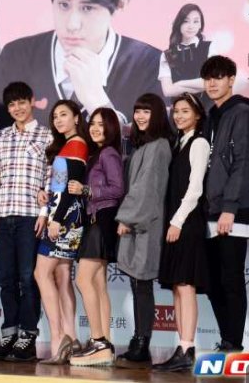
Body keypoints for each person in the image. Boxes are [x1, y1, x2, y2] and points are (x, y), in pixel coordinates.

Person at [0, 0, 162, 128]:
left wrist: (96, 99)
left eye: (87, 8)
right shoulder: (16, 56)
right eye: (64, 5)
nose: (72, 24)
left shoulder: (151, 65)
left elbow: (156, 142)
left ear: (121, 4)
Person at [0, 82, 51, 362]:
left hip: (30, 218)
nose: (17, 108)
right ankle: (9, 334)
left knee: (27, 277)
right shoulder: (0, 137)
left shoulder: (46, 136)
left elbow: (50, 177)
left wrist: (45, 212)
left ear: (32, 101)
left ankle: (28, 336)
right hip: (2, 216)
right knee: (7, 279)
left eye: (22, 102)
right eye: (12, 104)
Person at [202, 55, 249, 353]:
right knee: (212, 281)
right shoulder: (212, 115)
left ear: (231, 79)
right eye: (208, 78)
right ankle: (227, 338)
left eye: (218, 77)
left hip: (232, 211)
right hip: (210, 209)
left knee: (231, 278)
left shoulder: (241, 113)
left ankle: (233, 342)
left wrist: (230, 207)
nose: (212, 83)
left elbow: (244, 162)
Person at [114, 94, 172, 368]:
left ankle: (142, 343)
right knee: (138, 284)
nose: (139, 116)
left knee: (142, 283)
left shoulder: (159, 146)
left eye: (146, 111)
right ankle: (139, 341)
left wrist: (126, 218)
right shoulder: (144, 146)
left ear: (157, 114)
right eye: (137, 111)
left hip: (146, 223)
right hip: (140, 222)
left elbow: (147, 188)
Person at [154, 93, 210, 372]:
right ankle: (182, 347)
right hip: (175, 222)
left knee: (186, 286)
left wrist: (177, 222)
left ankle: (188, 348)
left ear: (197, 115)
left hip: (187, 223)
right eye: (176, 111)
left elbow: (195, 188)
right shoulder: (179, 143)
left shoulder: (199, 143)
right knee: (177, 286)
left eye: (185, 111)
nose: (178, 116)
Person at [68, 108, 124, 367]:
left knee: (83, 279)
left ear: (111, 128)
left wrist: (87, 189)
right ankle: (105, 345)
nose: (95, 128)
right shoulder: (98, 154)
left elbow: (117, 189)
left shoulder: (108, 153)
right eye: (93, 123)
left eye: (101, 124)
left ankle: (98, 340)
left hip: (101, 221)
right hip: (98, 220)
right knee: (99, 285)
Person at [34, 100, 88, 365]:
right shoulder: (68, 145)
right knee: (62, 274)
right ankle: (71, 337)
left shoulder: (76, 144)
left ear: (77, 118)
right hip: (65, 216)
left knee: (41, 273)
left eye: (64, 114)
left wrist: (55, 219)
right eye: (55, 116)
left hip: (64, 219)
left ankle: (59, 338)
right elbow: (60, 185)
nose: (58, 120)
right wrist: (46, 195)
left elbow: (71, 188)